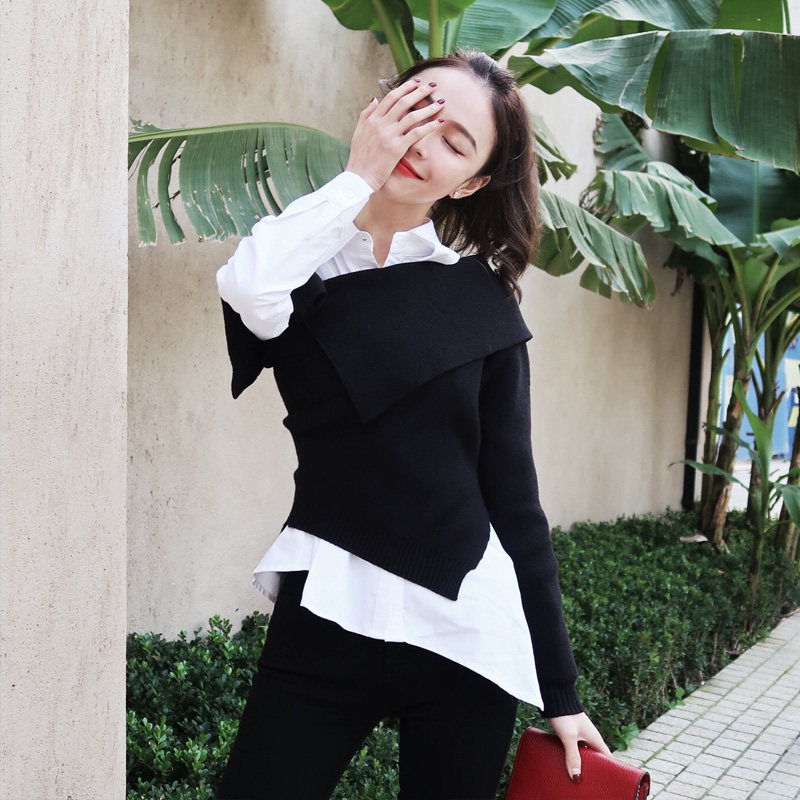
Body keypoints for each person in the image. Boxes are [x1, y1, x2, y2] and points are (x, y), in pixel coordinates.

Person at [214, 50, 611, 800]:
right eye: (416, 111)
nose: (424, 142)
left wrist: (561, 692)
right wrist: (357, 179)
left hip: (467, 632)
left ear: (470, 183)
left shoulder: (479, 301)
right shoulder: (299, 258)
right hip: (329, 608)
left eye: (456, 142)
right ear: (379, 110)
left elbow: (515, 503)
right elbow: (249, 288)